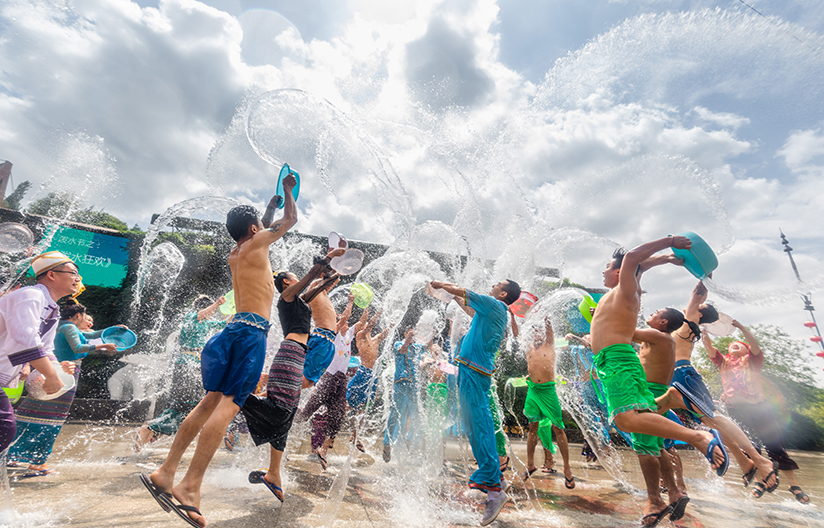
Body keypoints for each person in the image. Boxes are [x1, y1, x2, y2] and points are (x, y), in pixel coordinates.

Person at [142, 174, 298, 528]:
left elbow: (265, 230)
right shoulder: (259, 244)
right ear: (255, 228)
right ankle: (190, 486)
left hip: (227, 333)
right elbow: (291, 221)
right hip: (251, 335)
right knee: (228, 406)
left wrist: (267, 210)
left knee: (208, 402)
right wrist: (288, 192)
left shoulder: (236, 252)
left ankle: (167, 472)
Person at [590, 240, 729, 526]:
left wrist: (671, 243)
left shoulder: (626, 290)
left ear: (619, 272)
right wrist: (665, 259)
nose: (603, 271)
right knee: (634, 425)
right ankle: (659, 498)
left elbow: (631, 258)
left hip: (617, 360)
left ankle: (699, 437)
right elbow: (637, 265)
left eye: (607, 267)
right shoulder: (620, 292)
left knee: (626, 420)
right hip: (612, 361)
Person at [240, 246, 345, 504]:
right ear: (287, 281)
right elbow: (311, 277)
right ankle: (234, 402)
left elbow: (318, 285)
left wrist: (334, 272)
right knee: (281, 407)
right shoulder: (286, 296)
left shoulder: (299, 301)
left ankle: (274, 474)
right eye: (294, 277)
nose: (299, 278)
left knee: (285, 414)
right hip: (292, 351)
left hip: (299, 352)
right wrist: (327, 259)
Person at [654, 281, 778, 495]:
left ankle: (760, 461)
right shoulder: (687, 325)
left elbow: (697, 293)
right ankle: (745, 462)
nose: (687, 308)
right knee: (711, 420)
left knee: (716, 418)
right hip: (675, 377)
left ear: (700, 313)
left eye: (695, 307)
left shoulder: (690, 320)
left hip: (684, 375)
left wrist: (702, 275)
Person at [428, 279, 520, 527]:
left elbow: (462, 290)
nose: (491, 284)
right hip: (474, 371)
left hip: (473, 371)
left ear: (502, 293)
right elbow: (468, 306)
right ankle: (495, 481)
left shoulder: (493, 304)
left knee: (478, 426)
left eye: (497, 283)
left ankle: (494, 489)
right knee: (476, 425)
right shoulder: (495, 310)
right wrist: (454, 298)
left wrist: (440, 284)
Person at [8, 299, 120, 474]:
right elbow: (78, 346)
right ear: (77, 316)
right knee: (53, 416)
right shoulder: (70, 328)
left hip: (51, 370)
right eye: (84, 316)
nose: (87, 320)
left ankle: (13, 455)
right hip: (66, 373)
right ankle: (38, 462)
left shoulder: (61, 326)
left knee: (30, 411)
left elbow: (88, 335)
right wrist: (103, 345)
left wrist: (111, 331)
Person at [705, 319, 809, 504]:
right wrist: (704, 330)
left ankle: (793, 484)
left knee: (775, 444)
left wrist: (741, 327)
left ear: (747, 350)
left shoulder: (753, 360)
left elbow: (753, 344)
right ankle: (761, 480)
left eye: (740, 345)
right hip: (736, 409)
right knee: (750, 445)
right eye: (732, 345)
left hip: (759, 408)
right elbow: (709, 347)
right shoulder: (723, 362)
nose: (735, 346)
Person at [0, 252, 78, 464]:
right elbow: (24, 338)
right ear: (51, 275)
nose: (78, 278)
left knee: (5, 428)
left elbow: (47, 348)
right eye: (73, 273)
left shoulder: (52, 309)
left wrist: (58, 368)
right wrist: (51, 374)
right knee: (4, 427)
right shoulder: (31, 295)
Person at [134, 295, 227, 451]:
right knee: (189, 405)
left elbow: (225, 324)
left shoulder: (206, 323)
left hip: (195, 365)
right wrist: (217, 303)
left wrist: (238, 313)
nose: (212, 313)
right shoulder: (191, 317)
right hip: (185, 365)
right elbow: (201, 314)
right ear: (203, 308)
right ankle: (150, 429)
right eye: (210, 309)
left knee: (187, 407)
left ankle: (155, 431)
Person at [631, 308, 695, 523]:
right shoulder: (664, 338)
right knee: (658, 447)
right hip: (658, 392)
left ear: (663, 321)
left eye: (656, 312)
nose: (651, 312)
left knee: (644, 447)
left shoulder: (657, 335)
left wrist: (600, 316)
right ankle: (675, 491)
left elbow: (622, 332)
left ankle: (655, 500)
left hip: (648, 394)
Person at [293, 293, 358, 469]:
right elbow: (345, 317)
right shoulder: (335, 333)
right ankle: (287, 414)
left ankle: (323, 450)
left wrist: (367, 305)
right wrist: (351, 302)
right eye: (343, 321)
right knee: (306, 413)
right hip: (328, 378)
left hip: (341, 380)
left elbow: (362, 324)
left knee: (337, 416)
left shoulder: (348, 337)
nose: (346, 323)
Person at [521, 317, 574, 489]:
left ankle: (567, 468)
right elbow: (516, 335)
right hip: (533, 390)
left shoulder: (549, 345)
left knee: (558, 428)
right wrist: (513, 318)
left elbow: (550, 332)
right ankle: (530, 463)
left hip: (548, 391)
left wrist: (547, 320)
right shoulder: (528, 348)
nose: (536, 334)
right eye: (534, 332)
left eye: (539, 332)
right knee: (532, 427)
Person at [347, 308, 392, 450]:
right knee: (349, 404)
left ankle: (355, 436)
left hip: (372, 376)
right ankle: (331, 429)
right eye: (367, 324)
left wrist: (392, 325)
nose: (368, 326)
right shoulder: (360, 335)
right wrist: (378, 312)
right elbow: (370, 325)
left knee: (364, 409)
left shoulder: (375, 339)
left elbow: (384, 334)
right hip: (362, 372)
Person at [382, 326, 425, 462]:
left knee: (418, 414)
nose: (413, 336)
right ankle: (387, 444)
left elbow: (428, 346)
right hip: (401, 383)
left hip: (413, 385)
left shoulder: (417, 347)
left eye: (415, 334)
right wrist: (408, 340)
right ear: (406, 333)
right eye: (411, 333)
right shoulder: (398, 344)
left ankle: (409, 440)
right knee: (395, 414)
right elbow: (401, 351)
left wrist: (431, 331)